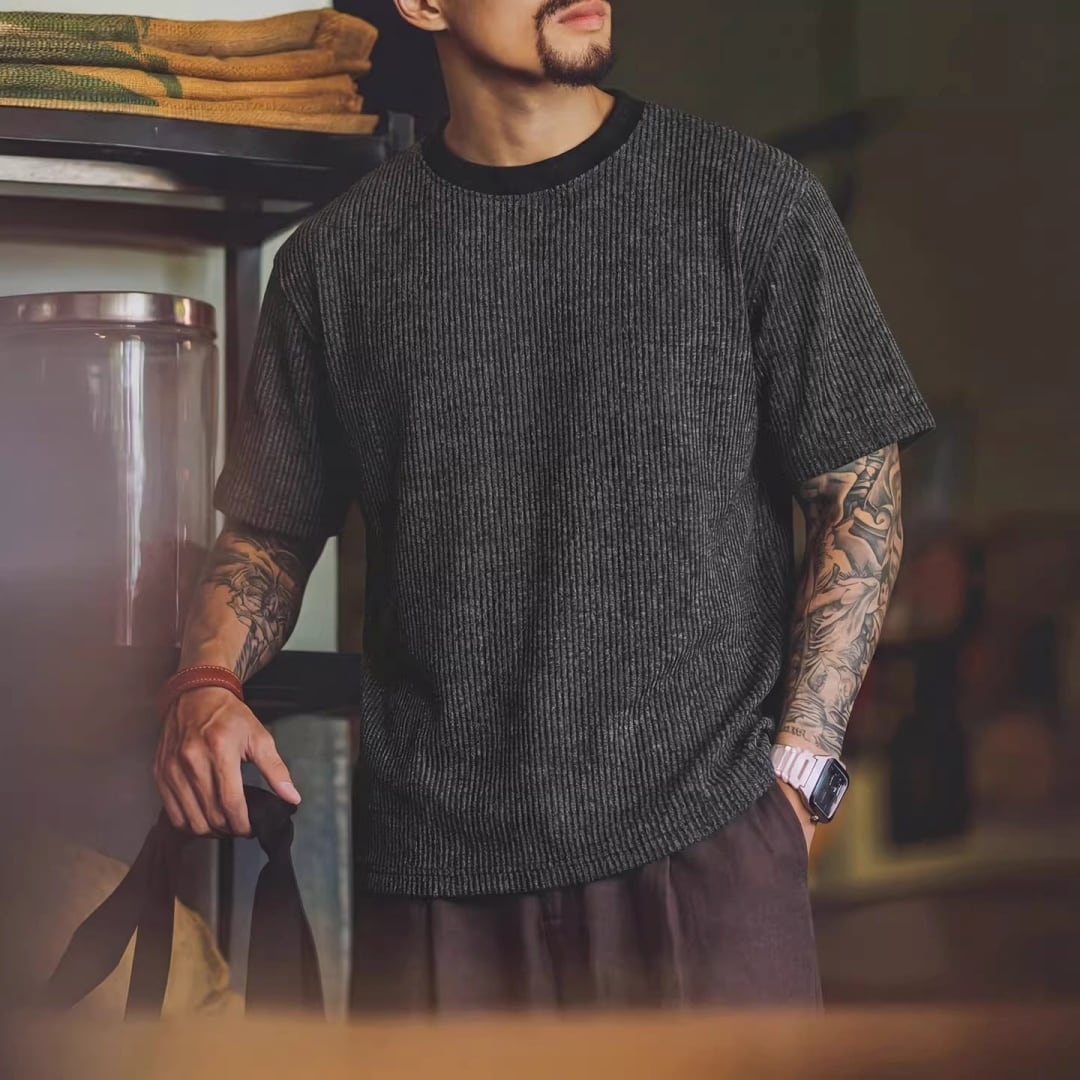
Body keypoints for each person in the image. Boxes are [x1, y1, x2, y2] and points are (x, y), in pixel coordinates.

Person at [154, 0, 934, 1012]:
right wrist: (204, 682)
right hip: (434, 892)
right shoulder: (335, 262)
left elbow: (857, 494)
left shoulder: (750, 199)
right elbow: (269, 530)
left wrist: (800, 775)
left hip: (707, 855)